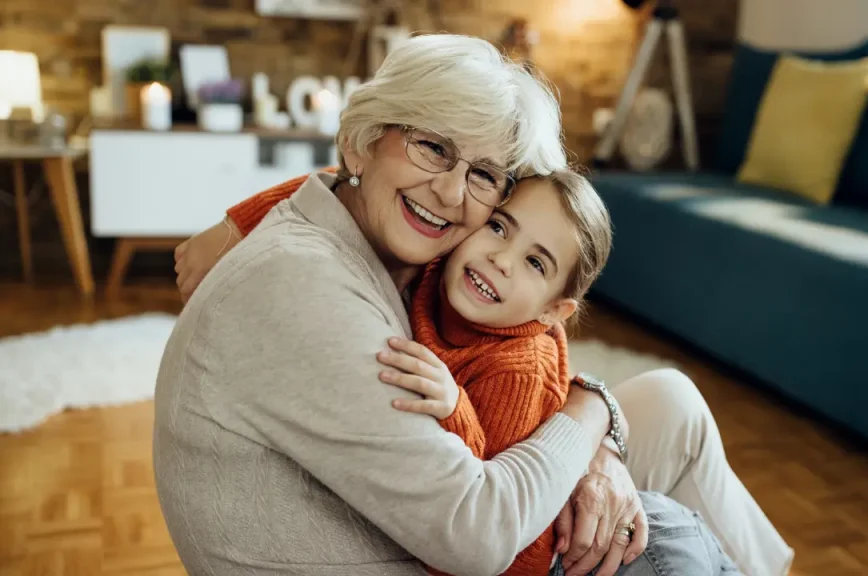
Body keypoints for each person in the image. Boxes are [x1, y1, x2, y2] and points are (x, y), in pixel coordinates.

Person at [159, 33, 793, 576]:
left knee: (673, 401)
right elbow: (480, 535)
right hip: (459, 550)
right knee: (665, 504)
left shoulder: (422, 241)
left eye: (485, 174)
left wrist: (598, 436)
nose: (451, 191)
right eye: (433, 146)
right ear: (358, 142)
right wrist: (591, 412)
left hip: (436, 520)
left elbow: (536, 318)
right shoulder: (306, 285)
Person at [197, 166, 743, 576]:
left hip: (555, 555)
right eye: (501, 227)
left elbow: (510, 534)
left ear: (554, 311)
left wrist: (455, 407)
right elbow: (345, 182)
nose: (501, 259)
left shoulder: (515, 370)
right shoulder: (444, 262)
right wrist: (229, 226)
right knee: (675, 400)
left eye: (535, 262)